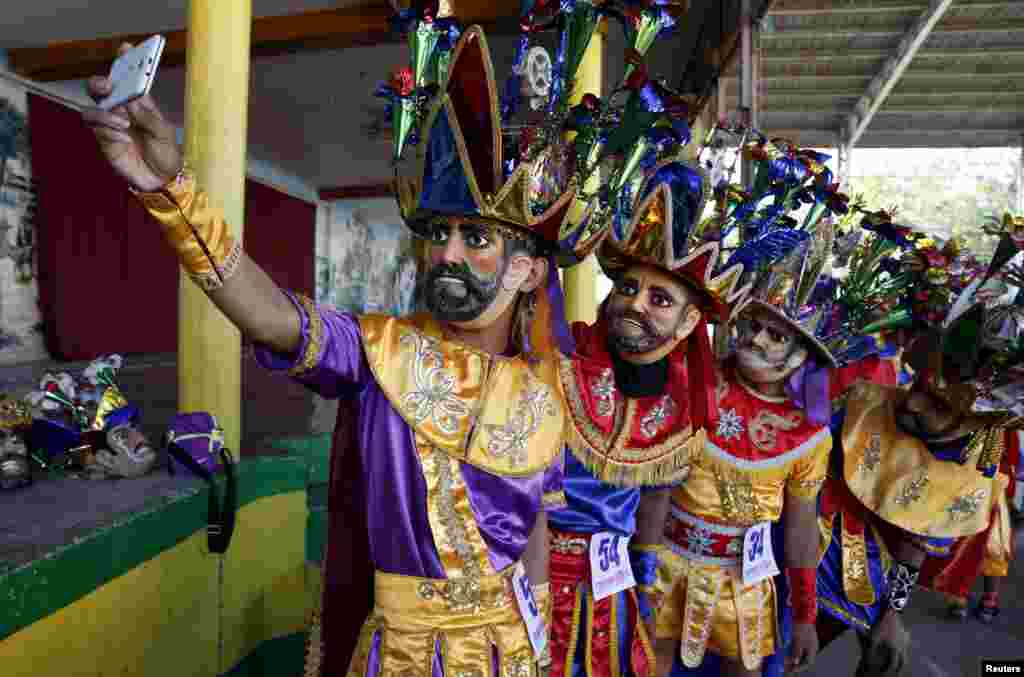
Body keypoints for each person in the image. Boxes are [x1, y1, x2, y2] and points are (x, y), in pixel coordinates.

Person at [81, 20, 607, 676]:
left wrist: (541, 640)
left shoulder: (544, 389)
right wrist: (171, 190)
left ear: (528, 268)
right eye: (439, 232)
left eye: (476, 238)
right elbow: (272, 316)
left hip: (509, 653)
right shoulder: (376, 350)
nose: (446, 252)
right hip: (399, 654)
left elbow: (532, 534)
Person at [655, 135, 848, 677]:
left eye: (776, 336)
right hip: (667, 567)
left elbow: (801, 528)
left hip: (748, 580)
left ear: (801, 357)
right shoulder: (693, 386)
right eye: (755, 326)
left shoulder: (810, 435)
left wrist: (805, 615)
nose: (758, 341)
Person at [548, 158, 748, 677]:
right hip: (530, 580)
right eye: (627, 288)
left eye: (659, 298)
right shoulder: (560, 365)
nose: (634, 304)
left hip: (610, 597)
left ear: (687, 322)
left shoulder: (683, 411)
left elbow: (652, 509)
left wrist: (644, 594)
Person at [813, 226, 1024, 676]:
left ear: (971, 421)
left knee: (883, 656)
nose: (911, 402)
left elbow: (914, 547)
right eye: (921, 387)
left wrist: (892, 617)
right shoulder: (866, 403)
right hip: (786, 541)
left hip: (858, 569)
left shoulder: (966, 469)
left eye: (934, 404)